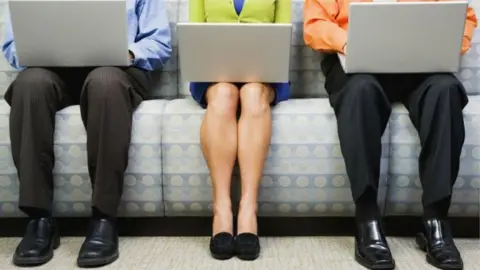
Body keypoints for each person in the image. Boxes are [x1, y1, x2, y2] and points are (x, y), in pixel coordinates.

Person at [303, 0, 477, 269]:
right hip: (356, 65)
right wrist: (349, 42)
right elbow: (314, 24)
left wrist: (448, 45)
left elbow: (462, 17)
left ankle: (436, 219)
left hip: (421, 65)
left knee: (446, 91)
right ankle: (367, 218)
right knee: (360, 91)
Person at [2, 0, 172, 267]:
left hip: (117, 72)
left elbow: (160, 43)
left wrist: (126, 53)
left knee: (104, 83)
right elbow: (13, 45)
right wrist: (36, 53)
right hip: (53, 72)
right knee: (29, 85)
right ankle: (39, 219)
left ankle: (104, 218)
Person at [189, 0, 291, 261]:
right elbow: (194, 36)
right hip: (213, 76)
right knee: (224, 94)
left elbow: (284, 37)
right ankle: (221, 209)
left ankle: (248, 209)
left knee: (253, 93)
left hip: (264, 76)